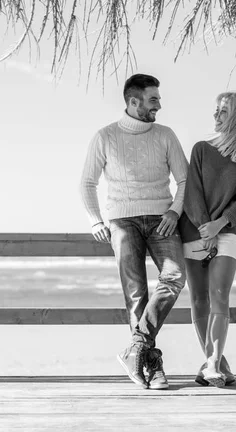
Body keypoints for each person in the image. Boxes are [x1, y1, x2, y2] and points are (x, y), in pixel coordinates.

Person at [79, 74, 189, 389]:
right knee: (136, 293)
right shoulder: (105, 137)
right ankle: (151, 366)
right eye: (154, 99)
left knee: (174, 277)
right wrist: (95, 221)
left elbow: (183, 180)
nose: (160, 104)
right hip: (121, 221)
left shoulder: (165, 135)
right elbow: (87, 182)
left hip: (161, 218)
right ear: (133, 101)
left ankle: (136, 348)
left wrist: (173, 211)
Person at [178, 91, 236, 388]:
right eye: (215, 109)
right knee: (199, 298)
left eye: (223, 111)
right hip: (194, 231)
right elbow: (192, 195)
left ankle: (212, 363)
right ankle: (218, 366)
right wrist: (205, 227)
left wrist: (219, 225)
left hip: (228, 231)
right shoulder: (201, 149)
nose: (216, 115)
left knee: (219, 295)